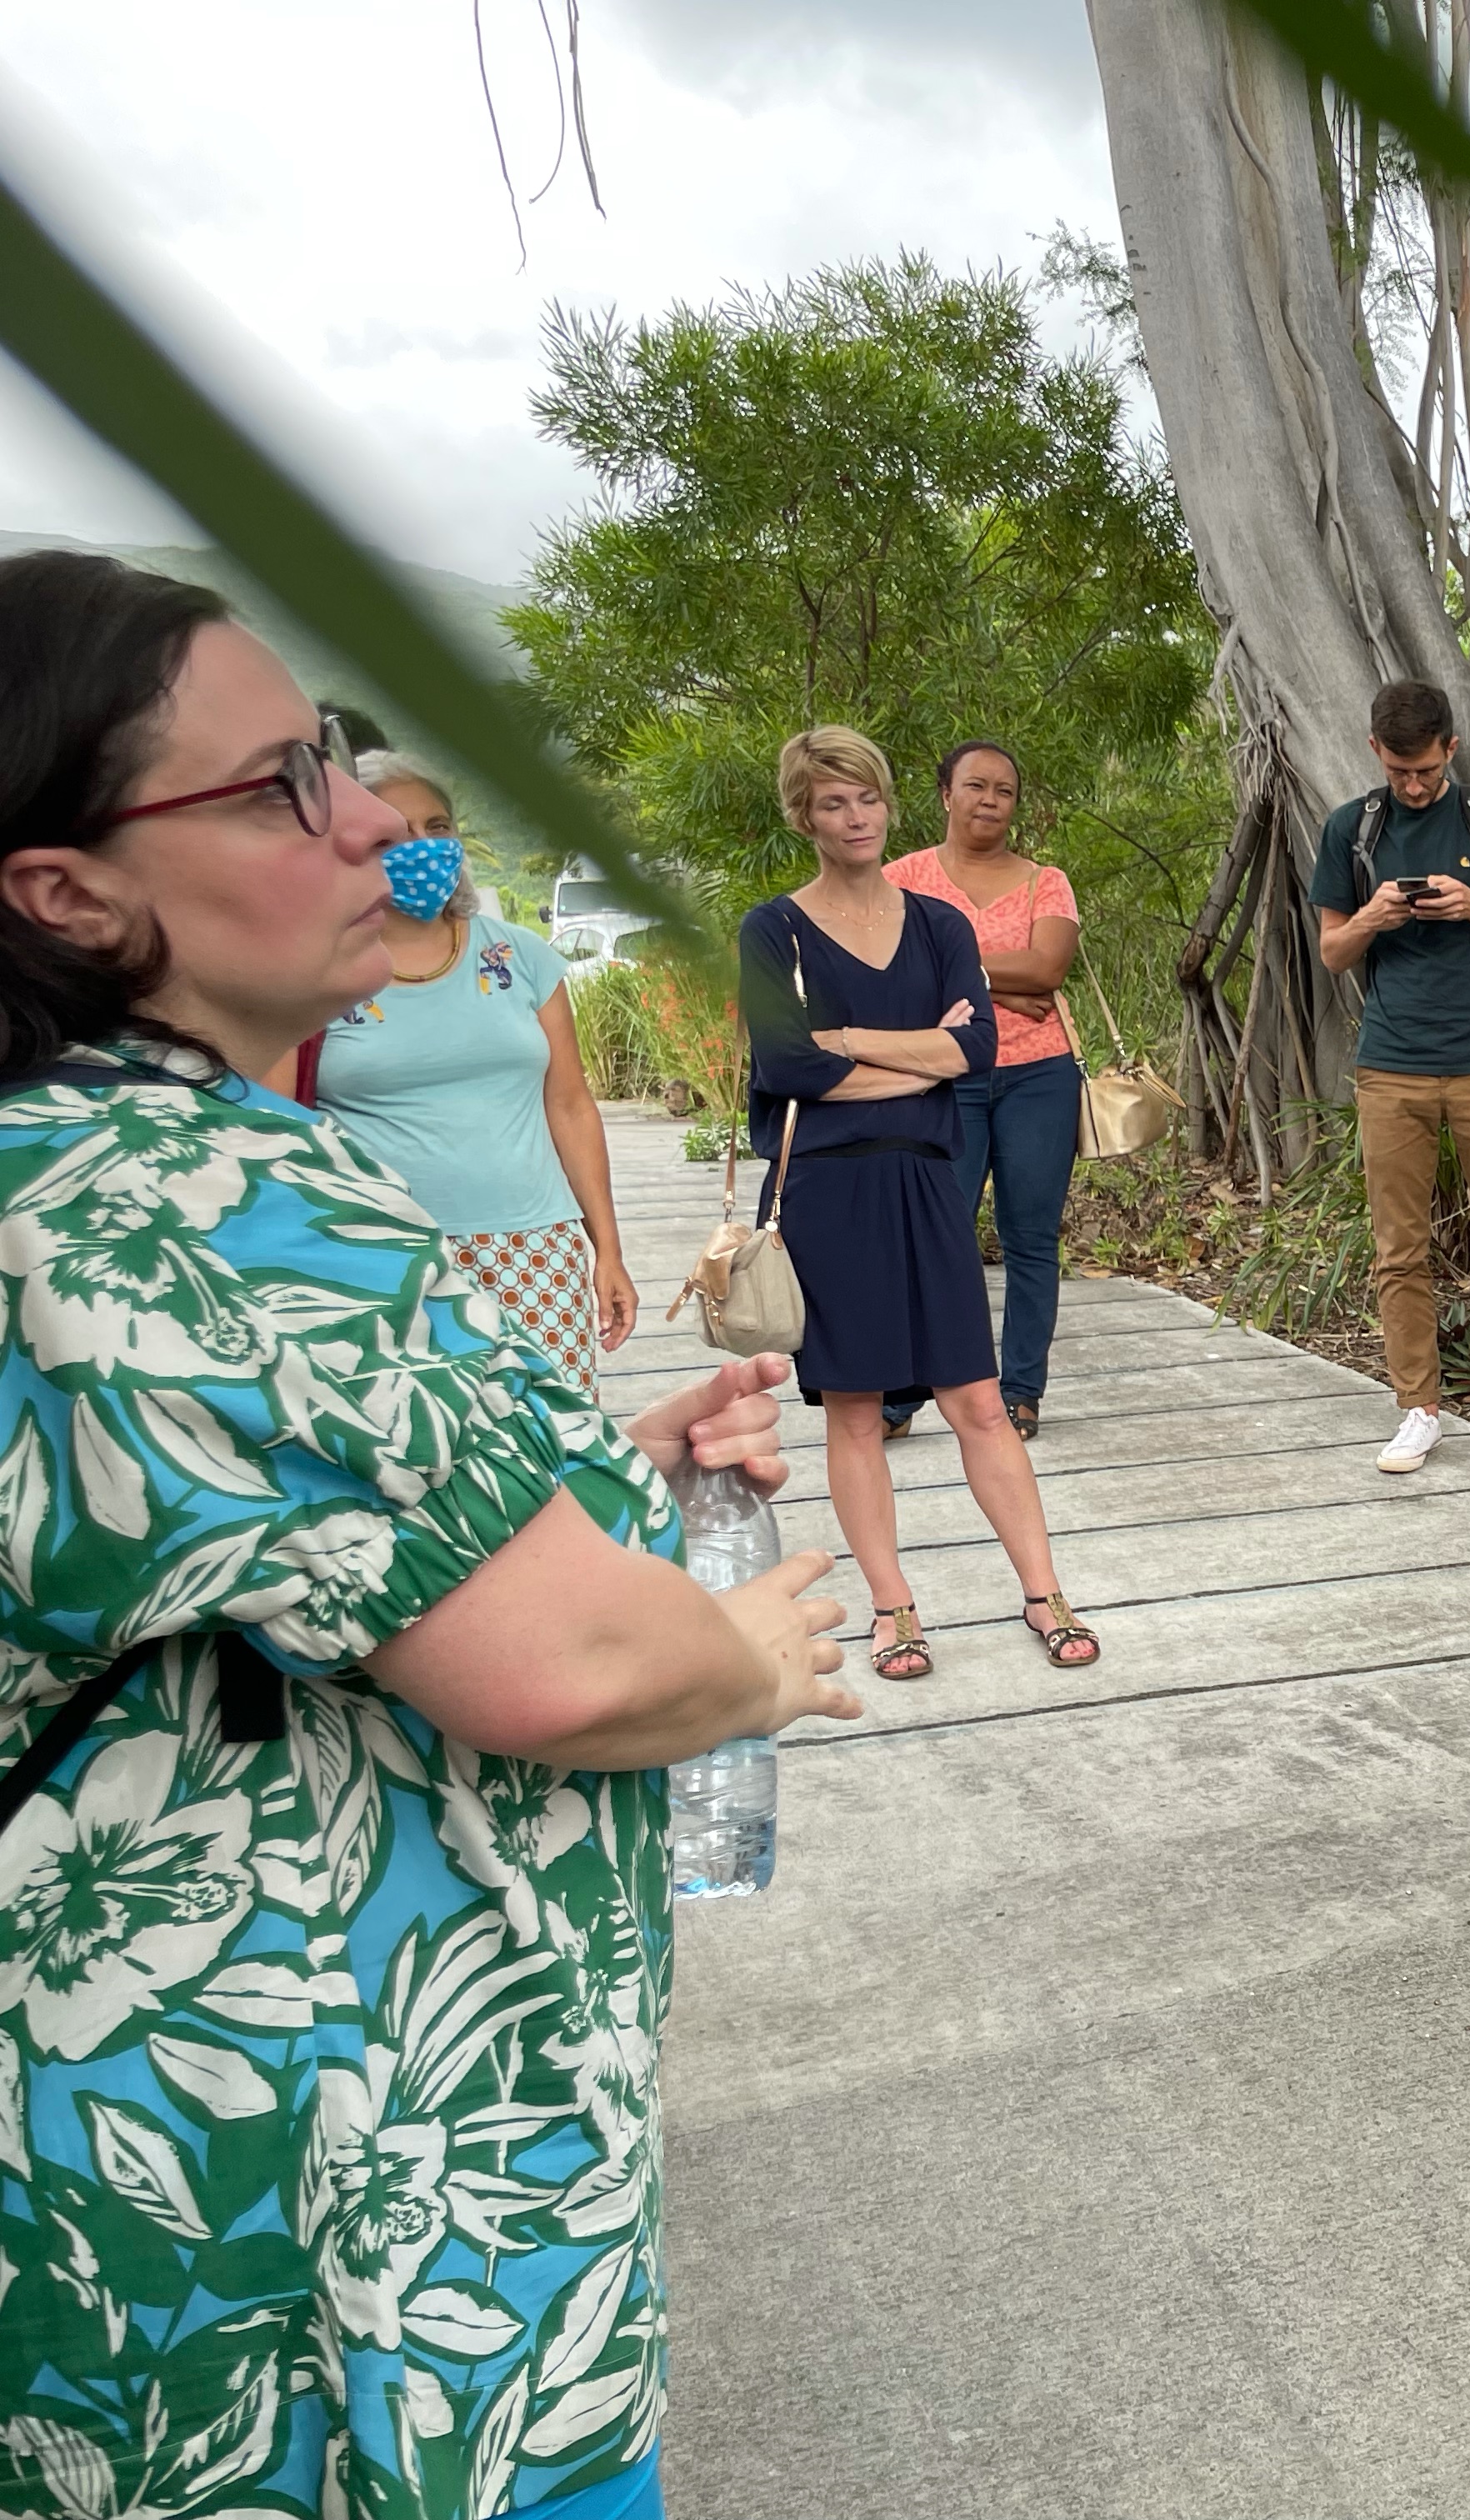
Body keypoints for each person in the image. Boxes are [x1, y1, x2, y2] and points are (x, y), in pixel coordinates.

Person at [0, 548, 858, 2520]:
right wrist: (746, 1657)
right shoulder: (198, 1192)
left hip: (120, 2174)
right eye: (280, 786)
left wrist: (586, 1482)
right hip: (359, 2234)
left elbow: (245, 1562)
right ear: (69, 893)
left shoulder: (59, 1162)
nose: (371, 815)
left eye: (337, 761)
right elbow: (572, 1666)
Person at [740, 726, 1100, 1682]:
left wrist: (849, 1040)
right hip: (824, 1188)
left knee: (979, 1400)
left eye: (866, 799)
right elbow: (784, 1067)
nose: (854, 819)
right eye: (831, 803)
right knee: (854, 1410)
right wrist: (911, 1055)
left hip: (924, 1181)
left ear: (889, 803)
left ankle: (1044, 1591)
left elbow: (975, 1052)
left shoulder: (940, 926)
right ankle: (895, 1610)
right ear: (802, 815)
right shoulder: (772, 930)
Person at [308, 748, 639, 1396]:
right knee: (415, 1450)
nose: (424, 847)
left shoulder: (520, 956)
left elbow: (570, 1106)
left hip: (533, 1247)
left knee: (554, 1442)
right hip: (380, 1251)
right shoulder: (319, 968)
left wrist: (608, 1250)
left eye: (438, 827)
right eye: (396, 834)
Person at [1309, 678, 1470, 1478]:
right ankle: (1418, 1408)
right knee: (1399, 1249)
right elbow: (1331, 952)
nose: (1413, 786)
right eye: (1398, 771)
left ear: (1451, 748)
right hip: (1391, 1067)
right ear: (1376, 753)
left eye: (1425, 770)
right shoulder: (1352, 828)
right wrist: (1374, 918)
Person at [879, 740, 1082, 1440]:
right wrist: (998, 981)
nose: (990, 800)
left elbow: (1049, 968)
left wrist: (959, 975)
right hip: (941, 1078)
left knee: (1031, 1238)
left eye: (1004, 790)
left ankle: (1020, 1391)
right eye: (975, 786)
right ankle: (901, 1396)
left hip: (1039, 1078)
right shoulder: (900, 878)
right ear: (945, 794)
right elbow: (888, 974)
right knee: (936, 1236)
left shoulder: (1045, 882)